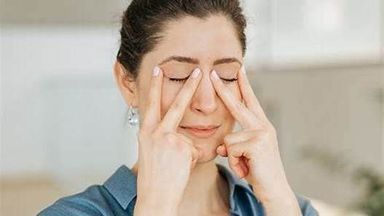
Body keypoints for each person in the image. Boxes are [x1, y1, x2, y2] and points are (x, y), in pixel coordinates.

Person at [38, 0, 319, 215]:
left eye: (227, 76)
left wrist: (280, 201)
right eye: (179, 76)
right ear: (128, 84)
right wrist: (156, 206)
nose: (207, 103)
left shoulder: (290, 208)